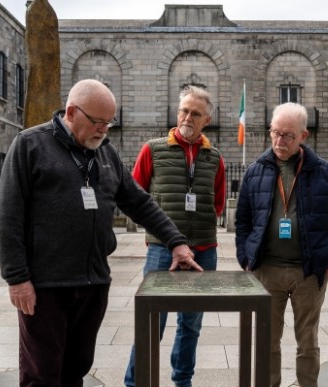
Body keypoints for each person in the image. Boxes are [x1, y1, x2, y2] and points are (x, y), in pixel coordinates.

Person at [0, 79, 199, 387]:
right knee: (42, 374)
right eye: (98, 121)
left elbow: (139, 202)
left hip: (93, 284)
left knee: (76, 368)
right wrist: (17, 278)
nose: (104, 129)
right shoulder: (30, 145)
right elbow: (7, 216)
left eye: (108, 122)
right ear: (72, 112)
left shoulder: (105, 153)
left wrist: (176, 242)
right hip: (45, 286)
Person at [235, 102, 328, 387]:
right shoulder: (255, 172)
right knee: (267, 341)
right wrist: (246, 260)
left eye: (287, 135)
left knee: (307, 342)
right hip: (266, 271)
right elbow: (244, 221)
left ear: (303, 136)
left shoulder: (325, 173)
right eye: (275, 133)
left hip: (308, 273)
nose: (279, 141)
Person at [124, 85, 226, 387]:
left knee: (191, 324)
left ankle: (182, 381)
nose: (187, 117)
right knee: (152, 321)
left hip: (204, 249)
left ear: (206, 119)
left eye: (196, 113)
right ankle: (135, 382)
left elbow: (217, 201)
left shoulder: (215, 157)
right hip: (161, 250)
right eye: (184, 110)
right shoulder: (153, 149)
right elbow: (134, 195)